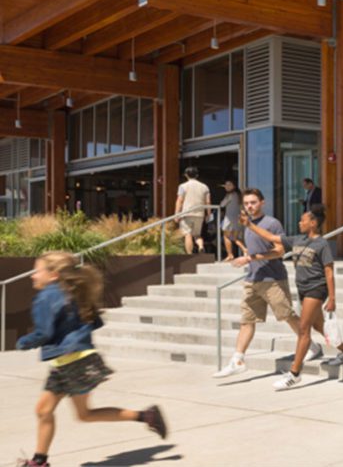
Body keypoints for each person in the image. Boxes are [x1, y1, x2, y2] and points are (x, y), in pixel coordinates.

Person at [16, 251, 166, 466]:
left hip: (73, 361)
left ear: (53, 275)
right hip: (73, 360)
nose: (32, 276)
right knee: (59, 412)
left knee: (68, 413)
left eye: (37, 271)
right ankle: (146, 416)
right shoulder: (73, 291)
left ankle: (39, 462)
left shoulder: (47, 296)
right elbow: (94, 321)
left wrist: (23, 342)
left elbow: (44, 333)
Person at [241, 203, 343, 390]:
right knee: (319, 326)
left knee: (304, 330)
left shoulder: (322, 244)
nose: (299, 222)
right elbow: (270, 237)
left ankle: (294, 374)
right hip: (303, 289)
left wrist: (332, 298)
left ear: (313, 222)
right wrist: (249, 225)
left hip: (316, 289)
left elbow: (329, 272)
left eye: (302, 219)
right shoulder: (297, 240)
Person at [212, 188, 323, 378]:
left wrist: (250, 258)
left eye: (253, 202)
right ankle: (238, 360)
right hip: (252, 279)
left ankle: (311, 345)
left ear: (262, 202)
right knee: (247, 321)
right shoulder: (246, 224)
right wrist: (247, 258)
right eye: (246, 203)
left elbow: (279, 251)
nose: (249, 206)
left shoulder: (272, 223)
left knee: (287, 315)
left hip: (273, 279)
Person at [174, 166, 211, 254]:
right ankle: (201, 246)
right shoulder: (205, 187)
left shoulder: (183, 186)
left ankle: (189, 254)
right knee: (197, 235)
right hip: (200, 214)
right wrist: (208, 214)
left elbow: (180, 200)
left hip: (187, 213)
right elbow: (208, 202)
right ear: (197, 175)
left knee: (188, 234)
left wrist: (176, 214)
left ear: (186, 175)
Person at [219, 179, 243, 262]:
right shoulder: (238, 195)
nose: (226, 186)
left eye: (229, 185)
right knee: (235, 238)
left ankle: (230, 255)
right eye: (226, 185)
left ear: (234, 186)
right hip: (237, 219)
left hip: (229, 218)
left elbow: (222, 204)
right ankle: (246, 250)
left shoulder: (230, 195)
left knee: (226, 236)